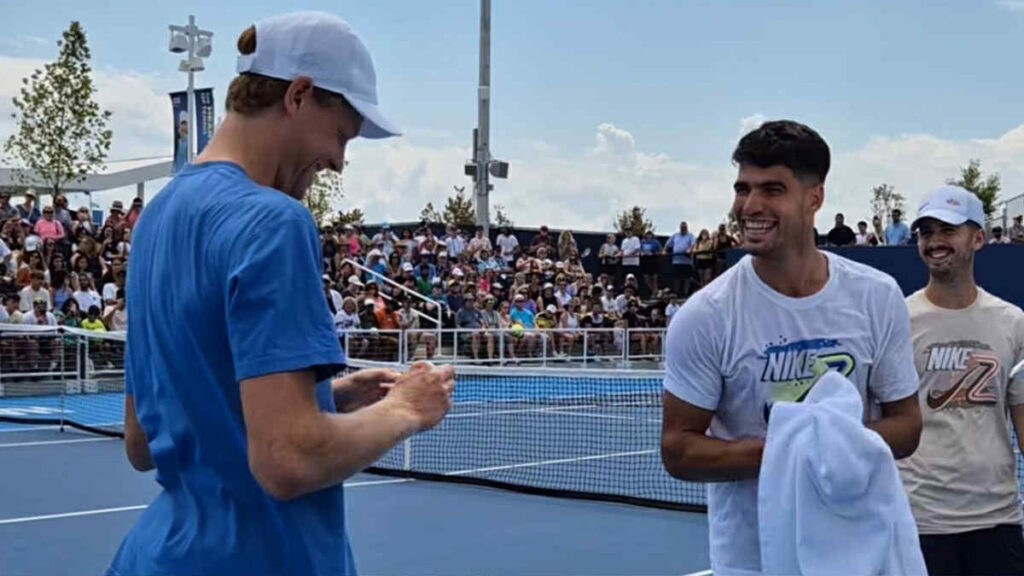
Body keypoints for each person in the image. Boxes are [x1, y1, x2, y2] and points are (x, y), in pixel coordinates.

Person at [109, 12, 455, 576]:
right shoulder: (273, 221)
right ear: (299, 94)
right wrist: (406, 408)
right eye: (341, 133)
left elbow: (143, 440)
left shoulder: (156, 219)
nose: (340, 160)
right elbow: (288, 460)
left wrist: (326, 399)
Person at [660, 120, 922, 576]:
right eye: (743, 189)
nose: (750, 206)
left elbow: (908, 427)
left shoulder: (877, 296)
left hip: (857, 551)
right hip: (750, 562)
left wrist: (820, 445)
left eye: (772, 189)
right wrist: (795, 448)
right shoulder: (705, 315)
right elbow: (679, 449)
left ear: (814, 198)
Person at [896, 186, 1024, 575]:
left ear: (979, 238)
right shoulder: (898, 321)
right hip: (919, 523)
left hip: (999, 521)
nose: (934, 242)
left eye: (948, 230)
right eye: (925, 232)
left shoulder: (1013, 323)